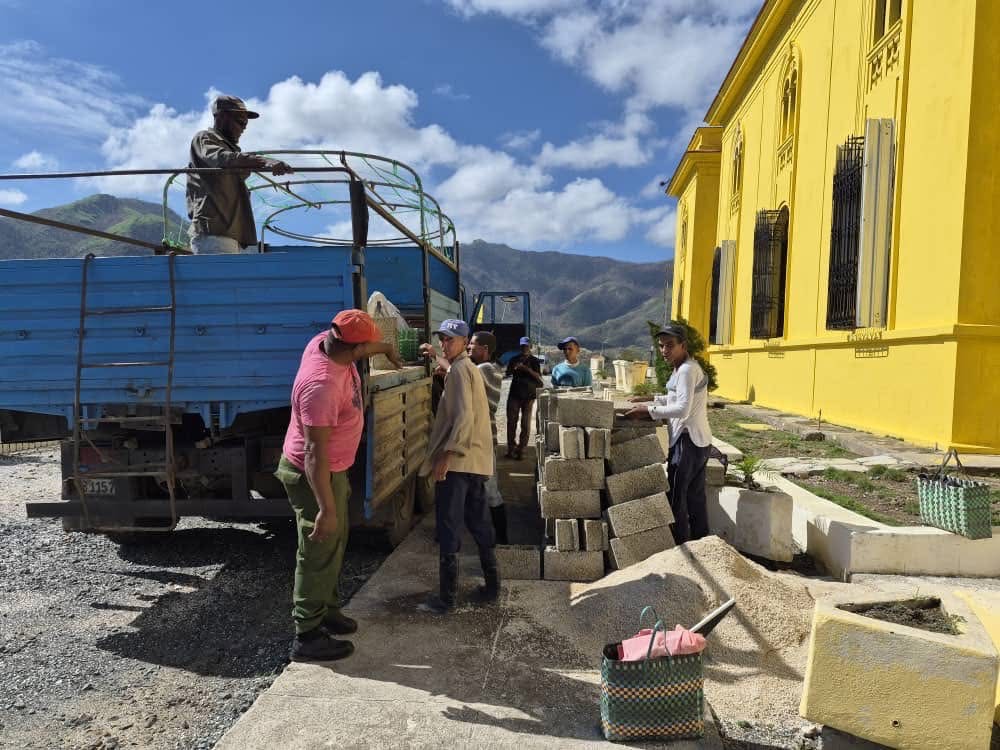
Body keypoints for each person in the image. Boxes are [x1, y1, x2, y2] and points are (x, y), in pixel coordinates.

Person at [276, 309, 402, 662]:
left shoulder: (324, 342)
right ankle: (307, 635)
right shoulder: (321, 386)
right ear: (351, 346)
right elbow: (315, 453)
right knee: (318, 548)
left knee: (336, 543)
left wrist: (388, 348)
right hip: (312, 474)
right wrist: (326, 509)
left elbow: (362, 348)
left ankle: (327, 610)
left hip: (332, 468)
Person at [418, 320, 497, 614]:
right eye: (442, 338)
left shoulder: (462, 371)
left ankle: (447, 599)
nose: (444, 343)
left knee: (449, 526)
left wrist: (447, 455)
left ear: (464, 342)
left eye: (450, 339)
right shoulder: (465, 368)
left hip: (459, 462)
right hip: (475, 461)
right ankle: (492, 586)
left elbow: (463, 418)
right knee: (478, 523)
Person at [624, 324, 712, 544]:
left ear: (683, 345)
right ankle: (703, 543)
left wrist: (648, 411)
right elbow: (675, 398)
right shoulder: (682, 368)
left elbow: (681, 408)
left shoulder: (686, 370)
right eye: (661, 346)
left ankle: (682, 546)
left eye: (670, 346)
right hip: (699, 441)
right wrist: (651, 399)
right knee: (695, 497)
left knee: (677, 498)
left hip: (687, 441)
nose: (664, 350)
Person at [186, 95, 293, 254]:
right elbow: (222, 158)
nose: (244, 128)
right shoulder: (205, 138)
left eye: (245, 124)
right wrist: (265, 162)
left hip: (233, 235)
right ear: (221, 117)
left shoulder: (233, 152)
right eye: (240, 122)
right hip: (214, 233)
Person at [467, 331, 508, 544]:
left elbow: (464, 374)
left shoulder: (486, 369)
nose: (468, 347)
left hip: (484, 440)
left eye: (472, 344)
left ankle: (502, 540)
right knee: (480, 491)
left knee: (491, 492)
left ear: (484, 349)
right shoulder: (484, 368)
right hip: (479, 440)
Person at [505, 336, 543, 460]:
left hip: (529, 396)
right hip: (514, 394)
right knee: (511, 422)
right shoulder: (514, 359)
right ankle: (511, 449)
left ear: (530, 347)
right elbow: (508, 373)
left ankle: (522, 449)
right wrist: (514, 369)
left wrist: (526, 369)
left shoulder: (535, 361)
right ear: (520, 347)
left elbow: (539, 378)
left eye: (527, 346)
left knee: (525, 424)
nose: (525, 348)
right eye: (523, 346)